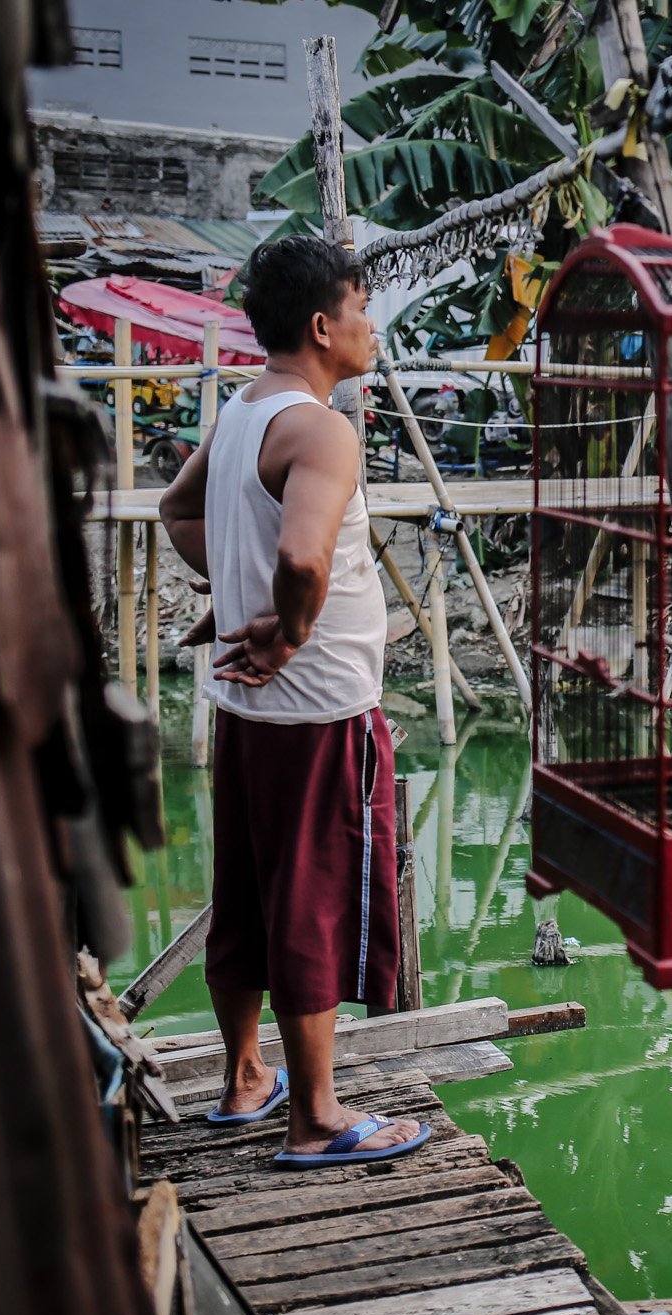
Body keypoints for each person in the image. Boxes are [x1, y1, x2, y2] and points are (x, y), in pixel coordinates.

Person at [158, 236, 429, 1167]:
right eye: (362, 309)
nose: (371, 327)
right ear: (324, 325)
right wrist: (289, 625)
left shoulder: (244, 408)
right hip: (317, 715)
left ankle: (245, 1079)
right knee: (311, 902)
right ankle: (315, 1116)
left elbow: (178, 511)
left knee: (247, 894)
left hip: (250, 717)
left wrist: (237, 598)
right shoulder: (323, 429)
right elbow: (305, 557)